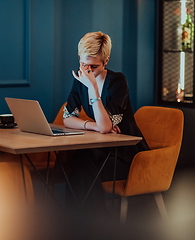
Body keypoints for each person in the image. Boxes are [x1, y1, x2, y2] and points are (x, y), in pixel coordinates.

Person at [63, 31, 149, 212]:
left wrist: (93, 87)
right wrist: (91, 125)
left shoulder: (118, 82)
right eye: (83, 64)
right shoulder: (80, 79)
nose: (87, 71)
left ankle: (90, 223)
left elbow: (105, 127)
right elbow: (68, 118)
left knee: (83, 167)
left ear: (106, 61)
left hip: (126, 154)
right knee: (77, 161)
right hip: (100, 149)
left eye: (93, 67)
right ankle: (77, 223)